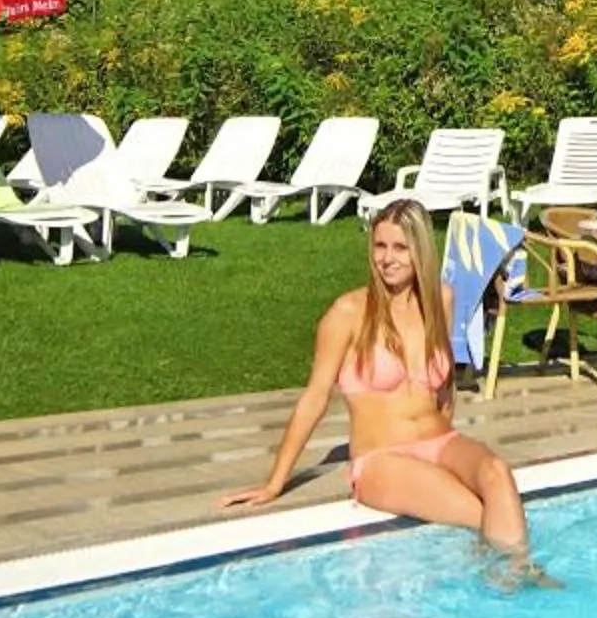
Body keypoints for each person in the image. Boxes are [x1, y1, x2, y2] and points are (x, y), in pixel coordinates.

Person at [221, 198, 551, 583]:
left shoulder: (440, 300)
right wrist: (275, 483)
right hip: (382, 459)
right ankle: (515, 587)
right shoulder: (347, 313)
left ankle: (519, 581)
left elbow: (444, 384)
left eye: (399, 247)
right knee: (477, 514)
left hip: (440, 440)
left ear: (420, 251)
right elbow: (315, 398)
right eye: (380, 246)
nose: (387, 258)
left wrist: (447, 448)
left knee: (497, 473)